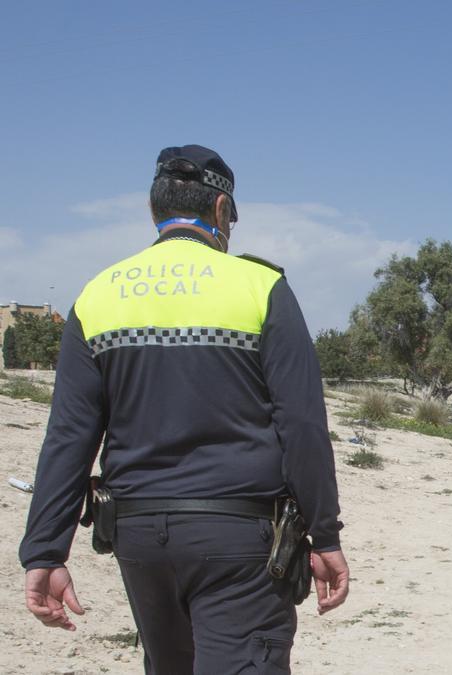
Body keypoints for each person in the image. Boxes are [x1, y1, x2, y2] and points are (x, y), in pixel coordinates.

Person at [20, 144, 350, 673]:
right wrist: (325, 533)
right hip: (240, 540)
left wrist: (44, 551)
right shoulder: (261, 287)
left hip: (138, 536)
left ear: (154, 212)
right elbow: (303, 425)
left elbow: (69, 436)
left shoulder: (98, 295)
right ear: (221, 212)